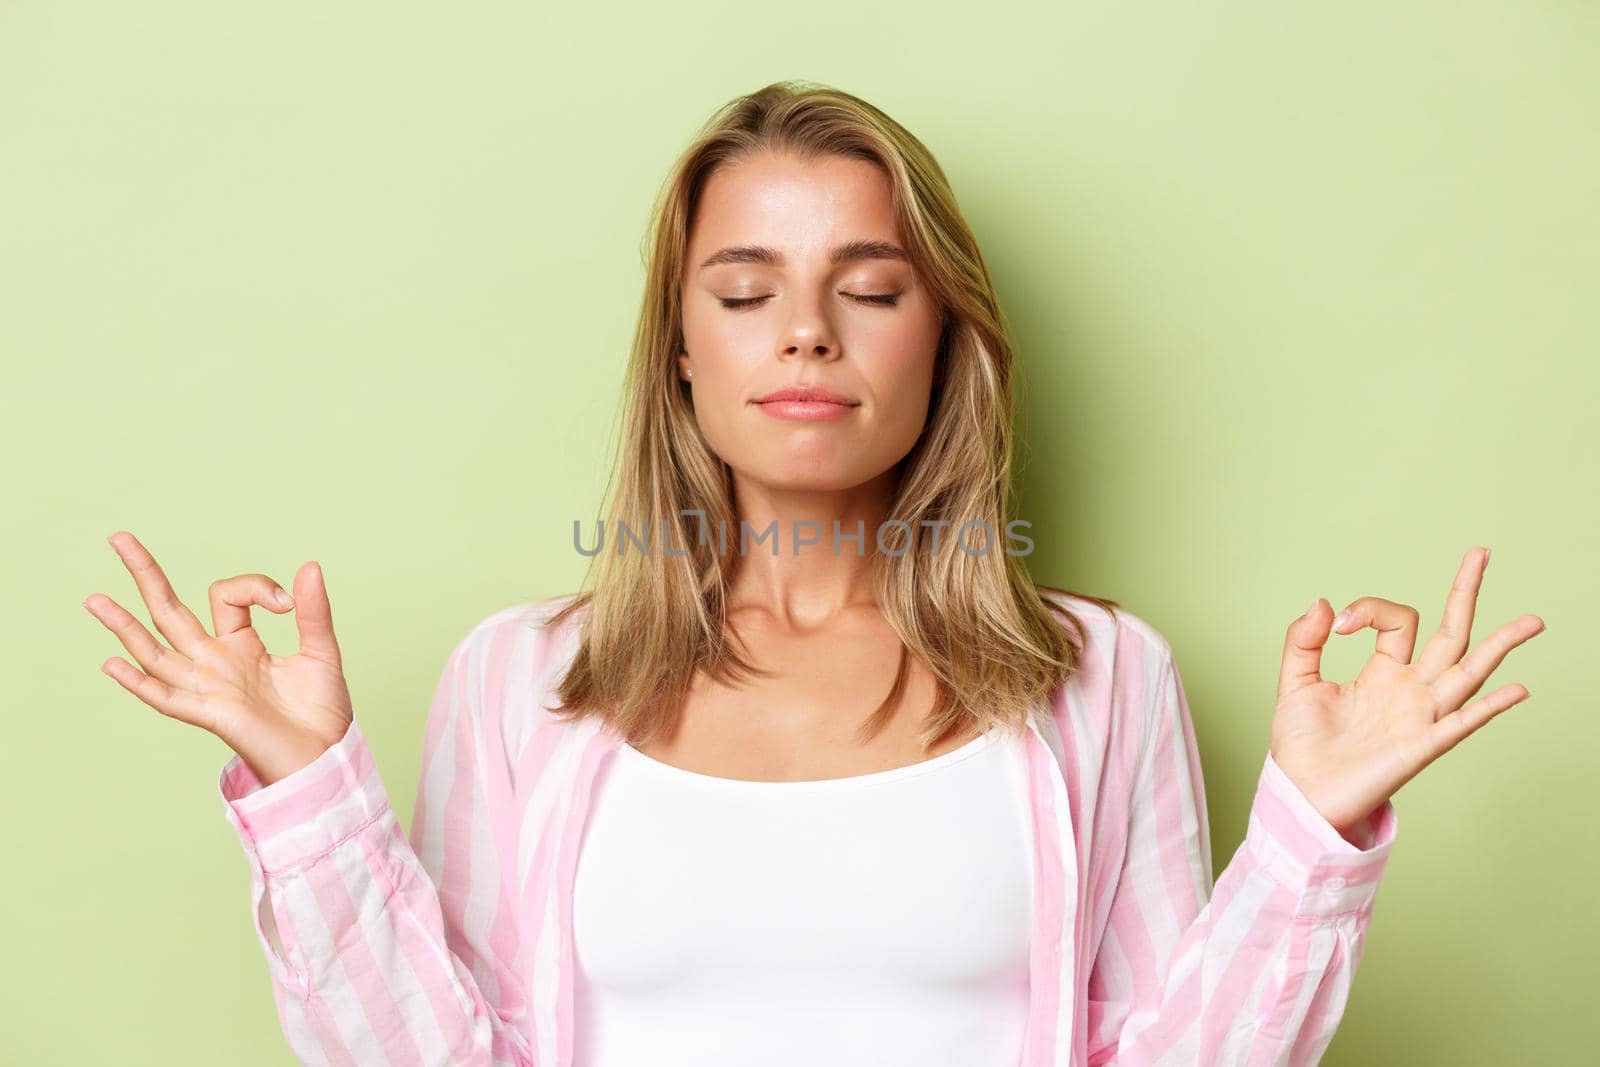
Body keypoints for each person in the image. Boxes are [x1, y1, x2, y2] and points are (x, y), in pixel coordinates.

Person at [84, 80, 1546, 1066]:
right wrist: (307, 796)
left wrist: (1312, 839)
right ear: (683, 348)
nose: (803, 332)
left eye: (867, 288)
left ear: (945, 339)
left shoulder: (1103, 677)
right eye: (743, 290)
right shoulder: (521, 680)